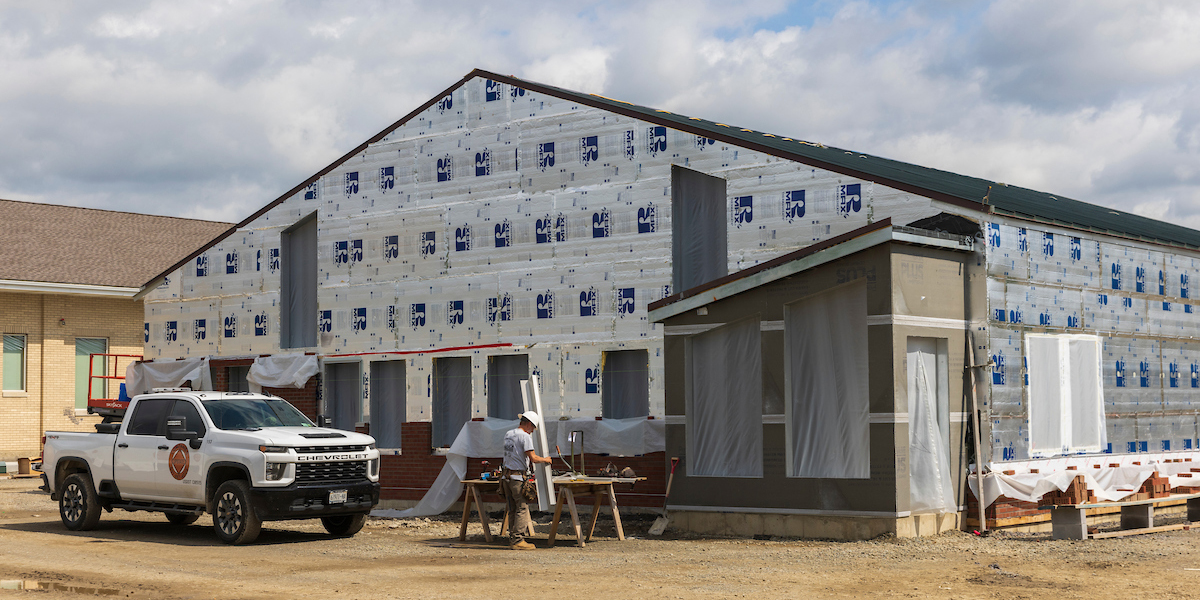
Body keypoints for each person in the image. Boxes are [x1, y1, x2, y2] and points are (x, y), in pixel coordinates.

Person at [502, 411, 552, 550]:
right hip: (518, 478)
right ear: (529, 424)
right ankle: (518, 540)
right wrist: (546, 459)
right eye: (533, 428)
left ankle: (513, 539)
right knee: (522, 508)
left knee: (512, 508)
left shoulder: (509, 434)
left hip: (506, 477)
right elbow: (534, 458)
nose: (532, 432)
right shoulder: (525, 436)